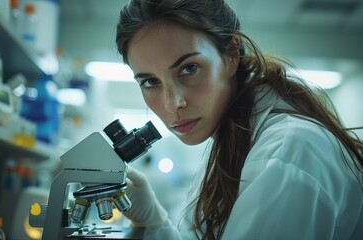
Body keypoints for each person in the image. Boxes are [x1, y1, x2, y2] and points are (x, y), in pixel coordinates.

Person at [115, 0, 363, 239]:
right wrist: (154, 224)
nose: (172, 104)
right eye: (150, 82)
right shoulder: (233, 139)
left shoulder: (290, 148)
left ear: (231, 54)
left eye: (189, 69)